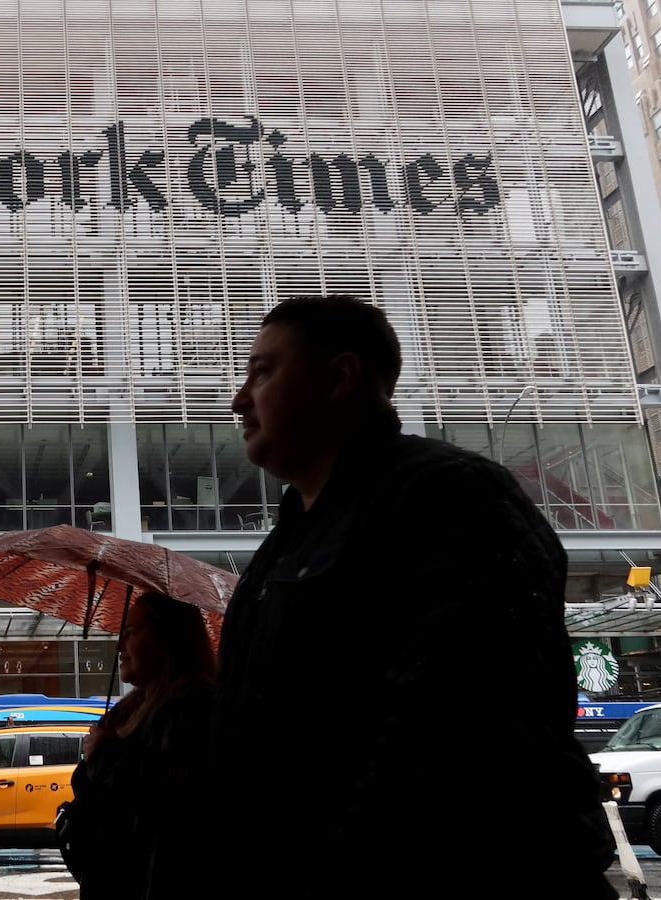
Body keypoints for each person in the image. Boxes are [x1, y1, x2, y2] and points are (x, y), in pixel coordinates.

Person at [212, 296, 617, 896]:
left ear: (341, 377)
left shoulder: (454, 499)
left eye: (263, 371)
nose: (240, 398)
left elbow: (454, 730)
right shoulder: (286, 544)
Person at [62, 592, 216, 900]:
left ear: (168, 639)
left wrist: (104, 753)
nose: (120, 647)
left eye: (131, 633)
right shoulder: (132, 709)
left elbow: (161, 803)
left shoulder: (194, 710)